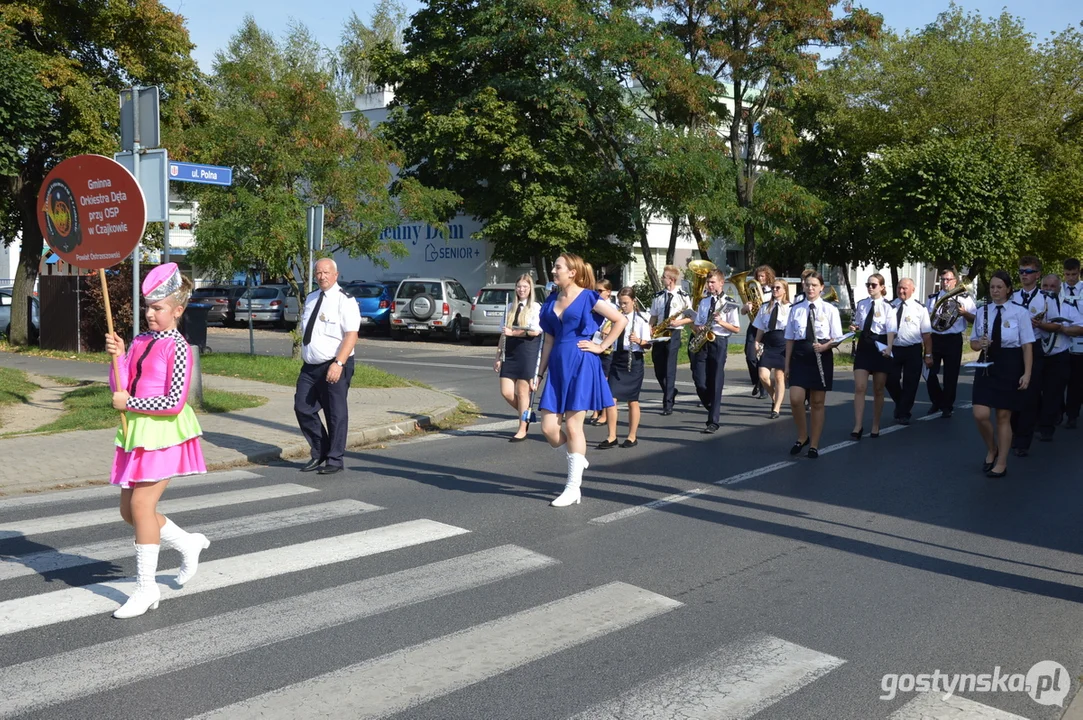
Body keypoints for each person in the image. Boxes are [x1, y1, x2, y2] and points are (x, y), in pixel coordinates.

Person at [104, 263, 209, 619]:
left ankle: (146, 587)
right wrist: (117, 358)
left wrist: (130, 402)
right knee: (128, 511)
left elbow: (173, 402)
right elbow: (120, 385)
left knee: (142, 507)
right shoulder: (140, 340)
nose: (150, 314)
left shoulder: (178, 347)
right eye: (147, 307)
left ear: (177, 310)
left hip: (163, 434)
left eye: (158, 308)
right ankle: (188, 542)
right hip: (137, 433)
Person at [536, 253, 627, 506]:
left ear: (572, 272)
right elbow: (550, 340)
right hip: (557, 365)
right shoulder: (552, 299)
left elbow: (620, 319)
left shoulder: (588, 296)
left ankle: (573, 487)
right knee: (548, 428)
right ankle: (577, 457)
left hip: (581, 362)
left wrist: (602, 346)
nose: (553, 271)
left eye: (557, 267)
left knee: (574, 426)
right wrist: (539, 373)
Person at [294, 258, 361, 475]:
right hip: (311, 366)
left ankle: (335, 458)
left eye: (325, 272)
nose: (321, 276)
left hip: (335, 364)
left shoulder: (345, 300)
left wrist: (338, 363)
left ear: (335, 274)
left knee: (335, 414)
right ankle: (320, 450)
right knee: (302, 407)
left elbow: (351, 335)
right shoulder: (312, 298)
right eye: (318, 273)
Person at [971, 270, 1034, 478]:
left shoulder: (1020, 312)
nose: (995, 291)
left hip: (1010, 363)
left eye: (999, 287)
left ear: (1008, 289)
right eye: (992, 287)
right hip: (987, 362)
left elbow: (1026, 346)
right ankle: (992, 447)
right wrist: (979, 343)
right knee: (980, 413)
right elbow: (973, 342)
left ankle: (1002, 462)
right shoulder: (983, 311)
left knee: (1003, 416)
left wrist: (1027, 373)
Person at [784, 272, 844, 459]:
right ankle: (802, 436)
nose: (810, 288)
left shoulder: (829, 310)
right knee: (796, 399)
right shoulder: (796, 309)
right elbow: (790, 339)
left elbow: (837, 338)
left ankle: (814, 444)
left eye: (814, 285)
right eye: (807, 284)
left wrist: (826, 346)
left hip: (821, 356)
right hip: (800, 356)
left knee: (818, 403)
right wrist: (786, 366)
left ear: (821, 288)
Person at [597, 287, 651, 448]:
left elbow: (648, 345)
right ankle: (612, 436)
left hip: (633, 360)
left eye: (626, 303)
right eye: (620, 303)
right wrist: (606, 334)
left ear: (633, 302)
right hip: (617, 359)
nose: (623, 306)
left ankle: (632, 436)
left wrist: (639, 340)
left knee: (632, 400)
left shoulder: (641, 319)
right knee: (610, 399)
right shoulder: (615, 318)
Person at [1009, 256, 1050, 457]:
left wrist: (1040, 324)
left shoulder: (1046, 298)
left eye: (1028, 271)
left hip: (1034, 347)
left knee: (1030, 395)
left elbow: (1055, 325)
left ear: (1037, 275)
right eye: (1021, 271)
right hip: (1014, 348)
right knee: (1012, 393)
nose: (1024, 275)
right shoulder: (1013, 297)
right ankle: (1013, 433)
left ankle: (1023, 441)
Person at [1034, 274, 1082, 442]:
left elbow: (1080, 327)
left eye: (1052, 286)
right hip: (1036, 354)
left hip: (1058, 356)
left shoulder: (1066, 306)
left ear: (1059, 288)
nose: (1048, 289)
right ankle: (1041, 419)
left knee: (1053, 392)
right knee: (1034, 391)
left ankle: (1046, 428)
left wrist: (1062, 328)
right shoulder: (1033, 304)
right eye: (1045, 286)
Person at [494, 274, 542, 442]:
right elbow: (503, 334)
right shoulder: (509, 307)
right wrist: (498, 356)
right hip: (510, 352)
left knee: (523, 393)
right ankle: (526, 414)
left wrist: (514, 332)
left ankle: (522, 428)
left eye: (525, 287)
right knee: (506, 392)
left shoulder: (535, 307)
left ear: (530, 289)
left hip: (527, 352)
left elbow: (535, 331)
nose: (521, 290)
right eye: (519, 286)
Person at [693, 270, 741, 433]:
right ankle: (711, 405)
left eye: (712, 282)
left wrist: (721, 321)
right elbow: (698, 322)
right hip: (704, 340)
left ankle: (713, 420)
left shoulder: (730, 303)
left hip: (718, 341)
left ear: (721, 283)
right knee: (699, 380)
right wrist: (699, 327)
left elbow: (736, 328)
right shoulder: (704, 302)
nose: (709, 285)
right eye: (708, 282)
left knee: (716, 379)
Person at [849, 273, 897, 439]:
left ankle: (875, 425)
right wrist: (854, 327)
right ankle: (858, 425)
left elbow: (891, 329)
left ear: (882, 287)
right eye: (868, 284)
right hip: (865, 345)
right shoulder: (862, 304)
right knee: (860, 387)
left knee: (878, 389)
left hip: (881, 345)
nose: (870, 287)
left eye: (874, 285)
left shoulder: (888, 307)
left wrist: (889, 347)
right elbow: (860, 323)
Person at [925, 267, 976, 419]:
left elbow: (975, 319)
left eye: (948, 279)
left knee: (950, 375)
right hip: (935, 338)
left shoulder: (964, 298)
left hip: (953, 339)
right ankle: (937, 400)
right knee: (929, 373)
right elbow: (927, 320)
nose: (945, 282)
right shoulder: (932, 298)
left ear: (955, 281)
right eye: (943, 280)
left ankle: (947, 406)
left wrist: (965, 313)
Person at [886, 278, 932, 425]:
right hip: (894, 349)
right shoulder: (891, 306)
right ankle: (901, 404)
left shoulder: (920, 308)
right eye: (899, 288)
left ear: (913, 289)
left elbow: (926, 334)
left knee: (910, 383)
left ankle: (904, 413)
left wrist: (928, 354)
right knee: (890, 379)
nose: (901, 291)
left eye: (905, 288)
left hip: (912, 350)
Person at [649, 265, 693, 415]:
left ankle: (667, 404)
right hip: (660, 332)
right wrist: (650, 327)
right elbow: (653, 315)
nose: (662, 278)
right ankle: (670, 391)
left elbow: (690, 316)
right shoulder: (658, 296)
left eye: (664, 277)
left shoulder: (683, 295)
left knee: (669, 368)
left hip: (674, 332)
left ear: (672, 280)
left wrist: (678, 322)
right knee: (658, 367)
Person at [753, 277, 791, 419]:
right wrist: (756, 341)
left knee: (779, 376)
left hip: (783, 343)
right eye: (773, 288)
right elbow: (760, 327)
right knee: (763, 375)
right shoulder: (765, 307)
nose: (774, 290)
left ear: (784, 290)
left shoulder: (790, 307)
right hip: (769, 343)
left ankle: (776, 408)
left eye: (778, 288)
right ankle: (774, 395)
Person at [742, 266, 774, 399]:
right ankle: (757, 381)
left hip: (767, 327)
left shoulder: (773, 291)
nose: (760, 279)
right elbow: (743, 312)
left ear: (768, 277)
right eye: (758, 276)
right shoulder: (752, 291)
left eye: (763, 276)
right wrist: (746, 307)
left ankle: (763, 387)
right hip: (754, 325)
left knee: (763, 357)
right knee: (750, 355)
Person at [590, 279, 616, 426]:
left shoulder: (612, 308)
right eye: (596, 291)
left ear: (608, 292)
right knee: (594, 379)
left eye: (600, 291)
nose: (597, 293)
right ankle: (595, 410)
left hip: (606, 348)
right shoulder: (593, 305)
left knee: (604, 381)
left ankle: (604, 413)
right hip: (594, 343)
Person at [1062, 258, 1083, 428]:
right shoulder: (1058, 290)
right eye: (1067, 274)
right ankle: (1057, 411)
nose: (1071, 278)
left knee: (1076, 381)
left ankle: (1072, 415)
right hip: (1061, 339)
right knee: (1059, 380)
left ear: (1079, 272)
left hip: (1080, 338)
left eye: (1074, 274)